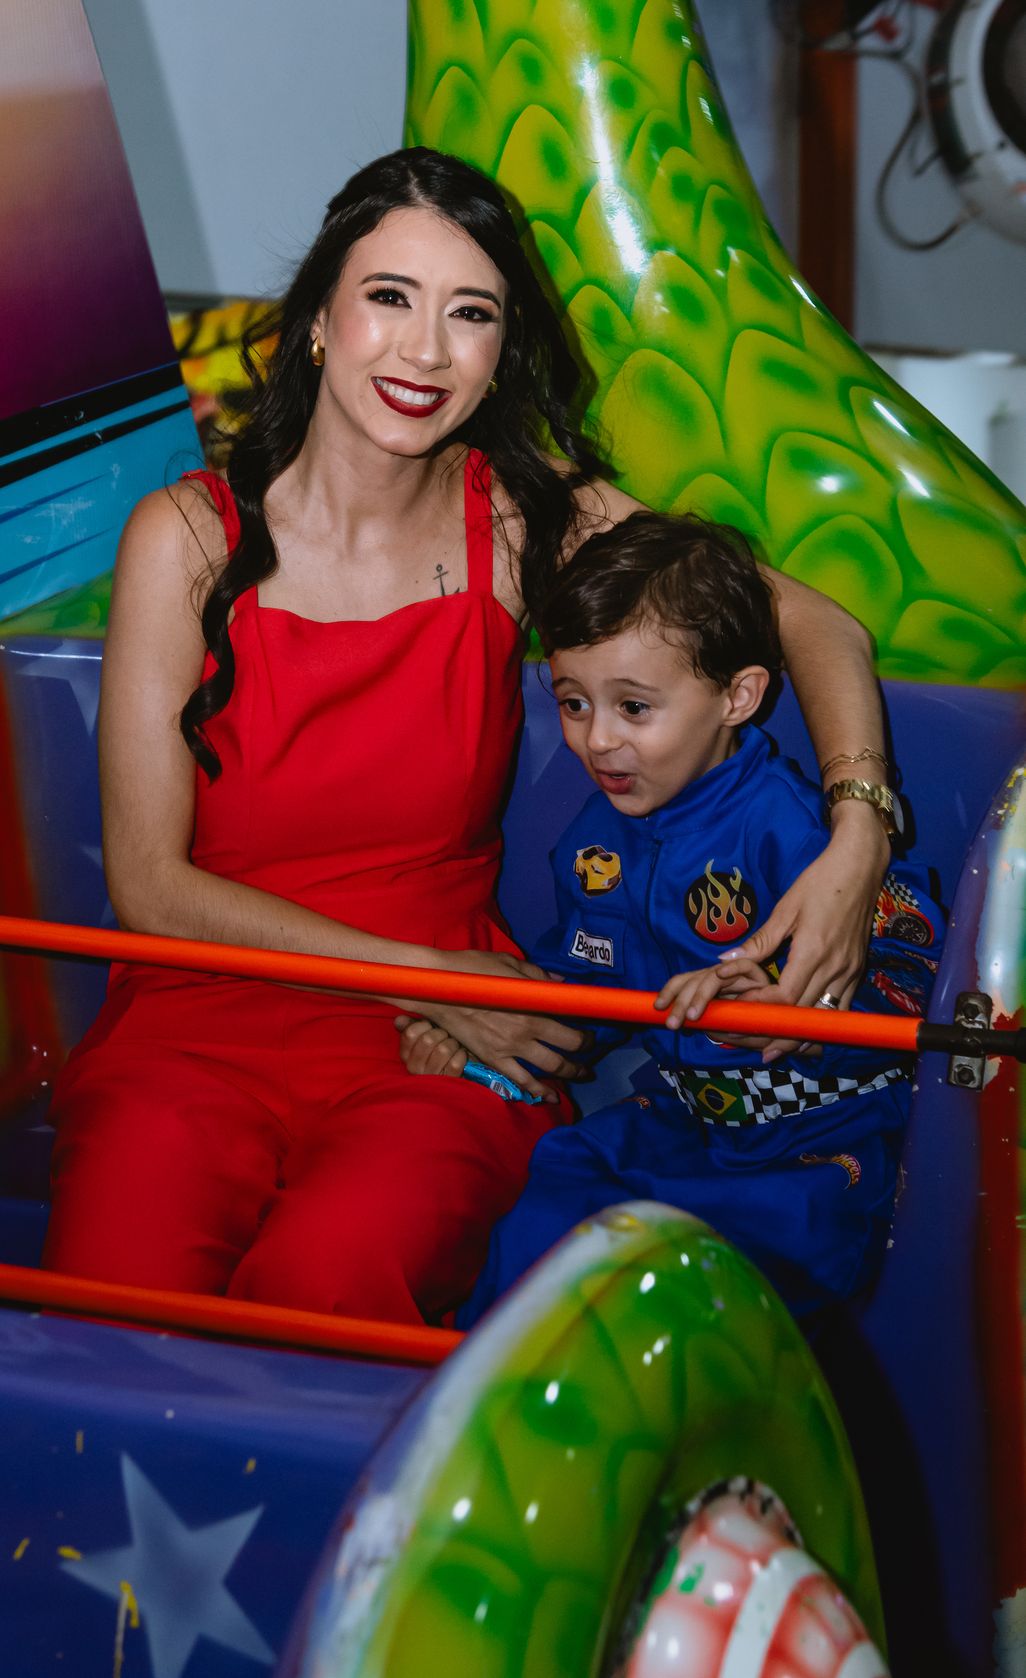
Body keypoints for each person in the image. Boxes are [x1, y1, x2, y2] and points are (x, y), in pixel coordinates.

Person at [40, 146, 896, 1327]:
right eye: (389, 297)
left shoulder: (519, 513)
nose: (427, 351)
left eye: (471, 315)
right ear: (320, 324)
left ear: (500, 355)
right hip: (214, 1018)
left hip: (438, 1050)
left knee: (328, 1286)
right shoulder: (187, 537)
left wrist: (856, 839)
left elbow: (819, 623)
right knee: (111, 1295)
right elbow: (148, 885)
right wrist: (441, 982)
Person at [400, 514, 941, 1323]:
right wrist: (482, 1045)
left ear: (739, 696)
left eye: (634, 708)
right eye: (575, 703)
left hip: (814, 1153)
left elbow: (916, 974)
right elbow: (585, 1002)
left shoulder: (792, 832)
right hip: (683, 1127)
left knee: (726, 1293)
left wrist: (808, 1011)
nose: (598, 740)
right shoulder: (595, 843)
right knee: (555, 1194)